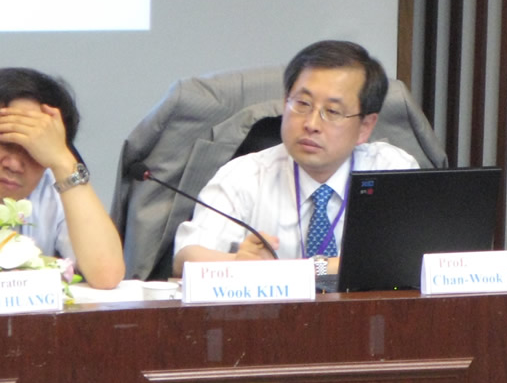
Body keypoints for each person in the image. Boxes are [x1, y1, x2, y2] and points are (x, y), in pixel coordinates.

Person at [173, 40, 419, 275]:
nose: (311, 124)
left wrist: (305, 270)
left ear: (365, 127)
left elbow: (414, 258)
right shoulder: (244, 175)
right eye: (302, 104)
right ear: (285, 103)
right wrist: (238, 263)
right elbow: (185, 259)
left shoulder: (392, 171)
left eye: (332, 111)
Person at [0, 68, 125, 289]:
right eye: (4, 142)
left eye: (33, 149)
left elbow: (106, 274)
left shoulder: (54, 186)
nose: (14, 165)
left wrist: (63, 161)